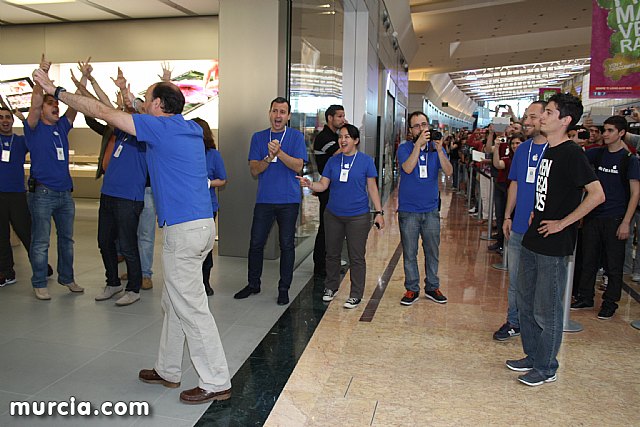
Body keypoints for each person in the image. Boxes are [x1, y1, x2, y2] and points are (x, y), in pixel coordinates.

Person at [32, 66, 231, 404]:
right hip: (196, 227)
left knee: (192, 308)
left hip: (184, 231)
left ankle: (216, 381)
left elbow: (100, 111)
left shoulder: (160, 129)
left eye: (146, 99)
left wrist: (58, 91)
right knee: (174, 302)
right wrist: (125, 91)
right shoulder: (185, 128)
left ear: (157, 106)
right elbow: (133, 110)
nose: (142, 104)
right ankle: (168, 369)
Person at [507, 93, 605, 387]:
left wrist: (564, 222)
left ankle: (547, 366)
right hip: (533, 238)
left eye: (548, 112)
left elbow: (597, 194)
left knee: (545, 308)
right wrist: (537, 212)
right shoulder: (548, 150)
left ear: (565, 121)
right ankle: (534, 355)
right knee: (525, 302)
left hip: (554, 244)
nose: (543, 116)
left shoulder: (572, 154)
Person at [74, 68, 148, 307]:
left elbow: (126, 105)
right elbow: (103, 105)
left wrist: (124, 89)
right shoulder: (120, 130)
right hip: (108, 194)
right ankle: (113, 282)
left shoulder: (144, 132)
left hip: (130, 198)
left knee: (128, 245)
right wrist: (90, 81)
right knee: (104, 241)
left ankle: (133, 287)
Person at [298, 124, 384, 308]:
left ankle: (356, 293)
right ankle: (331, 287)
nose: (342, 140)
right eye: (340, 137)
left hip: (358, 217)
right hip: (333, 214)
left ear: (356, 140)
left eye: (347, 137)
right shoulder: (333, 162)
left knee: (356, 256)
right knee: (332, 254)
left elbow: (372, 188)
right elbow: (323, 185)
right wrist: (310, 184)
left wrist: (379, 212)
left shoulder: (366, 161)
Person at [234, 97, 308, 305]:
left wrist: (279, 152)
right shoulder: (258, 138)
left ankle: (284, 288)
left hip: (289, 201)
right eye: (275, 111)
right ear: (269, 113)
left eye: (282, 112)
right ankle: (253, 284)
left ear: (288, 116)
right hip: (264, 200)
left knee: (287, 245)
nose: (278, 116)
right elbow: (254, 170)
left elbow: (298, 166)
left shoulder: (296, 137)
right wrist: (268, 156)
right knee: (256, 243)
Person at [24, 55, 85, 300]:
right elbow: (36, 103)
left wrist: (83, 79)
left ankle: (67, 278)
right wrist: (41, 75)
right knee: (40, 241)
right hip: (43, 193)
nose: (55, 106)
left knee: (67, 240)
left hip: (64, 194)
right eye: (51, 104)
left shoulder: (62, 127)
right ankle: (39, 281)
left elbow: (75, 107)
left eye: (55, 103)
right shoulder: (34, 127)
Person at [571, 115, 639, 319]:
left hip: (616, 217)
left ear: (621, 133)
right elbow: (577, 158)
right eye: (605, 130)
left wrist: (626, 222)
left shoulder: (629, 160)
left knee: (613, 264)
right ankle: (585, 296)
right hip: (594, 216)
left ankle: (610, 302)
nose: (606, 134)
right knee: (589, 259)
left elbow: (635, 193)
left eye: (610, 131)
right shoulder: (597, 154)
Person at [494, 101, 547, 341]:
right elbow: (514, 183)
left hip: (545, 231)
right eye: (526, 116)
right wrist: (507, 215)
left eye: (532, 117)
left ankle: (538, 326)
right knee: (515, 281)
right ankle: (514, 321)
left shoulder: (557, 151)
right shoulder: (522, 150)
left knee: (540, 284)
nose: (526, 121)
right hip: (518, 227)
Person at [396, 112, 452, 306]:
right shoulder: (405, 148)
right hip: (409, 210)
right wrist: (418, 147)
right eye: (417, 126)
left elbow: (449, 171)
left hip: (430, 210)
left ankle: (432, 286)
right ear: (411, 131)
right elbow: (408, 168)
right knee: (410, 252)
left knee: (432, 250)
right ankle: (412, 288)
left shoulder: (436, 148)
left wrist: (439, 150)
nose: (422, 129)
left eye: (424, 125)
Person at [193, 117, 227, 297]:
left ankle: (205, 282)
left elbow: (223, 179)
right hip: (188, 208)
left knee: (205, 247)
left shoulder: (213, 155)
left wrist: (207, 183)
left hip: (207, 207)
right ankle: (193, 282)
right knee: (191, 248)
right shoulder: (184, 153)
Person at [311, 105, 345, 277]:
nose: (342, 119)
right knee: (326, 229)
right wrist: (347, 138)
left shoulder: (333, 136)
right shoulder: (324, 137)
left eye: (343, 116)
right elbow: (340, 153)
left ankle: (328, 263)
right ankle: (320, 266)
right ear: (330, 118)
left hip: (334, 188)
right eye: (339, 116)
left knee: (334, 229)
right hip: (326, 188)